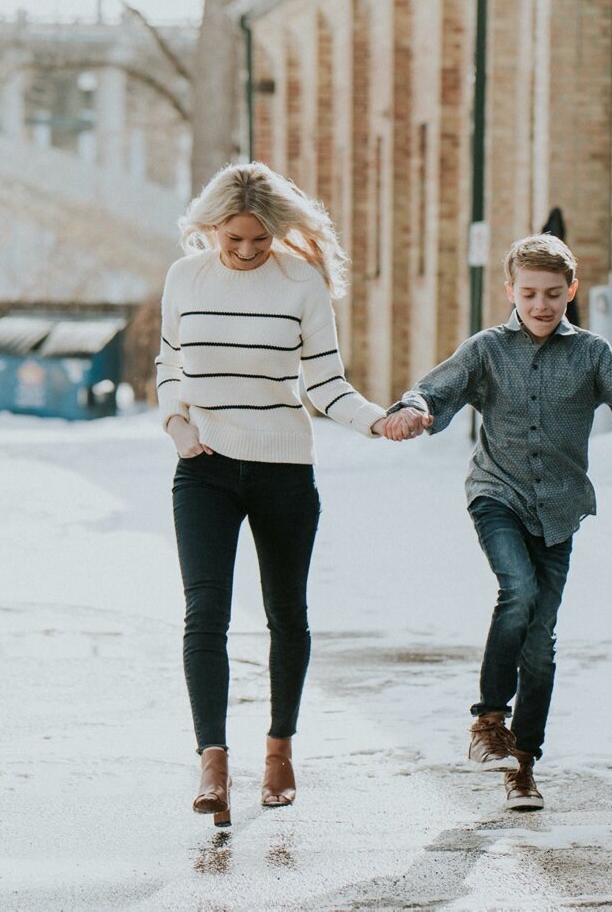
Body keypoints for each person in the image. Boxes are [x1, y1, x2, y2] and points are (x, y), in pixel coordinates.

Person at [381, 235, 612, 811]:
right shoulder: (487, 349)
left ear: (571, 292)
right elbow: (437, 389)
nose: (541, 305)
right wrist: (413, 410)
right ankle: (488, 721)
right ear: (510, 290)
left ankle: (523, 763)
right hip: (498, 495)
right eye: (530, 294)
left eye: (554, 295)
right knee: (518, 590)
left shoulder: (590, 353)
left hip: (558, 511)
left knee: (540, 644)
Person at [157, 161, 392, 828]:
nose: (248, 251)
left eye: (260, 240)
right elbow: (168, 364)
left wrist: (375, 419)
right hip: (204, 468)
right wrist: (176, 424)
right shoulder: (185, 278)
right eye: (235, 240)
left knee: (287, 613)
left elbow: (325, 383)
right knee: (205, 612)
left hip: (283, 468)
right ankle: (212, 761)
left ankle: (279, 749)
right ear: (212, 229)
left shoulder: (299, 282)